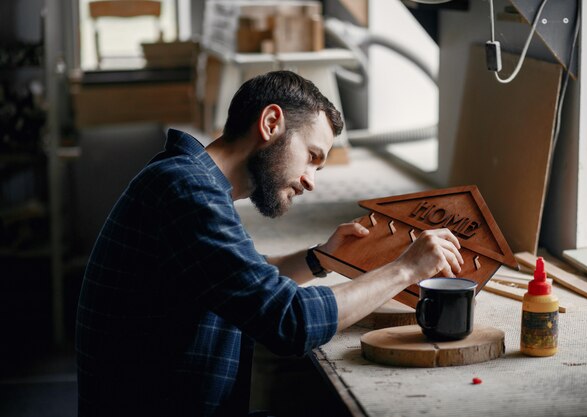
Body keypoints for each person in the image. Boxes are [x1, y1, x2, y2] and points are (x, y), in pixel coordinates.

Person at [75, 70, 463, 417]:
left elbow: (244, 281)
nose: (311, 180)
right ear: (271, 122)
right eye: (312, 157)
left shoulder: (188, 181)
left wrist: (319, 259)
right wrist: (406, 269)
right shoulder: (186, 190)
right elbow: (289, 321)